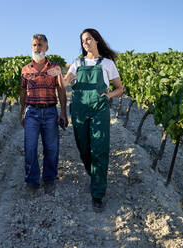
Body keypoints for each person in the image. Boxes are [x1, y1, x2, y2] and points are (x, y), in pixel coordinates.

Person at [63, 28, 124, 212]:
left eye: (88, 39)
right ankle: (92, 172)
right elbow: (65, 83)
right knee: (83, 148)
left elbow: (120, 88)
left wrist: (109, 95)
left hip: (99, 110)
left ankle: (98, 194)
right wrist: (56, 73)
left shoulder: (107, 63)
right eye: (82, 41)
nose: (85, 43)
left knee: (99, 149)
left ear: (96, 40)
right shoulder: (77, 63)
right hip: (79, 110)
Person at [20, 34, 68, 194]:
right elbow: (22, 92)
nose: (37, 48)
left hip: (50, 112)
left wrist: (63, 112)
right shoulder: (26, 69)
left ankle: (49, 179)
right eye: (34, 45)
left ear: (46, 48)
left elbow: (61, 90)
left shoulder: (54, 68)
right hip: (31, 112)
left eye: (40, 45)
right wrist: (21, 113)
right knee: (30, 148)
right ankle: (32, 182)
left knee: (52, 148)